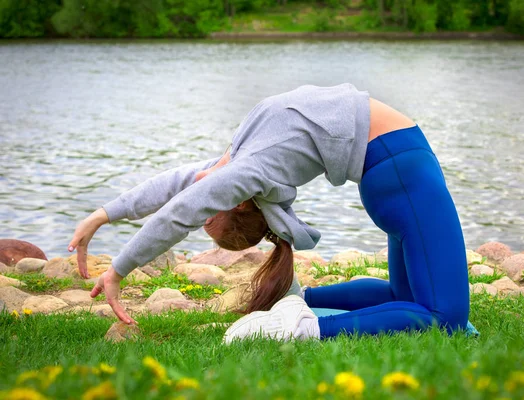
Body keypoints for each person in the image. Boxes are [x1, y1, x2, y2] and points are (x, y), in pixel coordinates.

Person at [68, 83, 470, 342]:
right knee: (445, 316)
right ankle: (305, 329)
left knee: (406, 297)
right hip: (400, 170)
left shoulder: (240, 166)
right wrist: (111, 248)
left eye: (209, 218)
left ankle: (297, 300)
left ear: (239, 202)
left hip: (394, 171)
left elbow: (176, 197)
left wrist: (103, 220)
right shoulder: (247, 170)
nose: (203, 212)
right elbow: (181, 202)